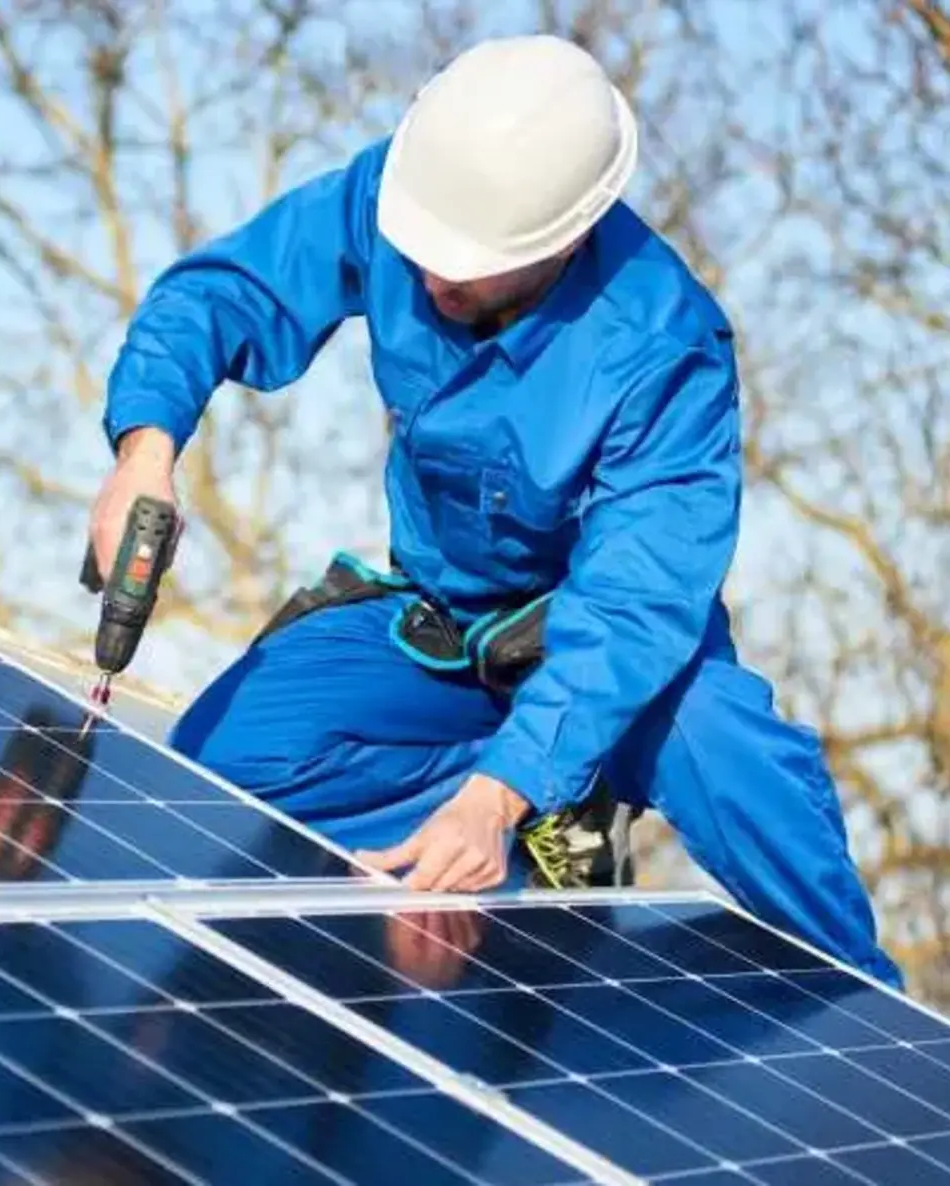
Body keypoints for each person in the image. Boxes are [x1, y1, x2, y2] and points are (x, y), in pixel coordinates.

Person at [86, 34, 904, 989]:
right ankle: (549, 809)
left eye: (465, 269)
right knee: (218, 766)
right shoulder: (400, 195)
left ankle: (869, 1007)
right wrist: (146, 451)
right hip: (440, 626)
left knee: (734, 761)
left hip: (596, 650)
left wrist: (506, 784)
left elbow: (635, 604)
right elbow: (229, 292)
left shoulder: (663, 346)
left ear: (561, 240)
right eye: (422, 255)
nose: (431, 281)